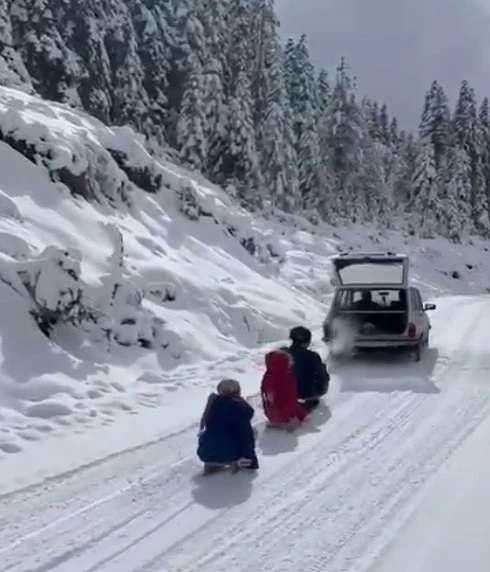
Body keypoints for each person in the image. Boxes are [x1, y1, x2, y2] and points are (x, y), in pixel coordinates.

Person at [197, 379, 259, 475]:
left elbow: (203, 426)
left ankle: (211, 462)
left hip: (206, 454)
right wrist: (250, 459)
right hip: (229, 454)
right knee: (253, 431)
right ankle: (236, 462)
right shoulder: (239, 408)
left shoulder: (213, 404)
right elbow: (246, 436)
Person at [286, 326, 330, 412]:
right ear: (306, 341)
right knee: (322, 370)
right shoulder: (313, 356)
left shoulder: (283, 354)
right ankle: (312, 400)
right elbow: (321, 376)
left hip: (286, 392)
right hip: (306, 393)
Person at [260, 349, 308, 429]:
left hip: (270, 413)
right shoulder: (288, 378)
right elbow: (291, 400)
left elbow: (264, 394)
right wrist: (294, 415)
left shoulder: (267, 376)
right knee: (302, 410)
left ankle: (276, 419)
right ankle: (293, 422)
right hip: (285, 415)